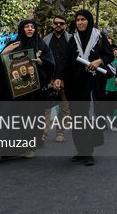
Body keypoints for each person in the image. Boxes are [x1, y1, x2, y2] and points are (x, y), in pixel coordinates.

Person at [0, 19, 55, 164]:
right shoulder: (13, 44)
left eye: (32, 27)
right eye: (26, 27)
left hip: (32, 93)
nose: (29, 29)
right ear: (21, 29)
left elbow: (50, 64)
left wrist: (41, 63)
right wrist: (5, 52)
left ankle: (30, 147)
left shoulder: (41, 44)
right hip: (12, 92)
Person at [53, 10, 114, 166]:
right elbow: (66, 61)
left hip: (93, 85)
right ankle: (81, 150)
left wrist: (99, 61)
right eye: (78, 20)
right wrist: (58, 77)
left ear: (89, 20)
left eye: (83, 19)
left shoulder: (98, 37)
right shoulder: (73, 39)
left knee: (90, 117)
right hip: (76, 84)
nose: (80, 22)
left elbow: (109, 55)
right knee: (78, 117)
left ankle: (88, 152)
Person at [42, 14, 71, 143]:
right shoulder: (46, 40)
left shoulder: (71, 39)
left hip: (66, 78)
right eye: (56, 23)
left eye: (61, 23)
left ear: (65, 25)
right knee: (45, 108)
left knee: (64, 109)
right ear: (52, 24)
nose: (58, 25)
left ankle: (60, 133)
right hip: (49, 78)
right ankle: (43, 135)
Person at [105, 44, 117, 132]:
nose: (115, 51)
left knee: (116, 107)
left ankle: (115, 124)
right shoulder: (107, 63)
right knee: (107, 107)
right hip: (108, 88)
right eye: (113, 50)